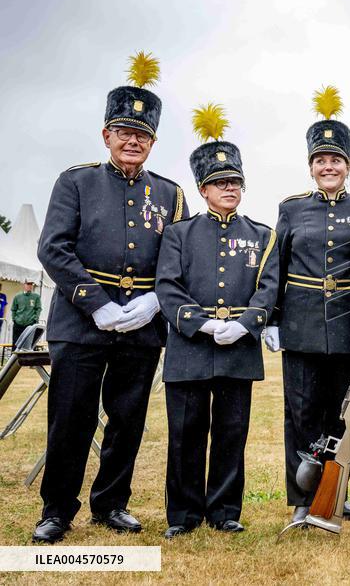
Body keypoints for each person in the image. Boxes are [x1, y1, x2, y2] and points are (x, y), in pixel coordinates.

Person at [34, 53, 188, 544]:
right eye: (123, 131)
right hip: (81, 322)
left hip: (142, 324)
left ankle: (111, 504)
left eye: (142, 134)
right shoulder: (75, 181)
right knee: (71, 419)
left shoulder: (170, 193)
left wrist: (155, 302)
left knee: (127, 420)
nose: (133, 140)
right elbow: (52, 247)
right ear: (106, 135)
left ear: (153, 141)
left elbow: (178, 258)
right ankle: (57, 509)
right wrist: (95, 302)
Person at [155, 104, 278, 538]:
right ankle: (184, 515)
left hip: (238, 348)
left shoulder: (263, 235)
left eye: (235, 182)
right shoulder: (178, 233)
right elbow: (167, 287)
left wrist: (245, 324)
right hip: (190, 346)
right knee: (186, 433)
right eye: (219, 183)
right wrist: (202, 324)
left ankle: (225, 510)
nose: (229, 188)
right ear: (203, 190)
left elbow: (268, 288)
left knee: (231, 433)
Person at [264, 86, 350, 525]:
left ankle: (336, 493)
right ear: (311, 167)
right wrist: (270, 318)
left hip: (349, 326)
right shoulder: (291, 210)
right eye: (321, 161)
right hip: (303, 325)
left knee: (340, 417)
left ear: (347, 166)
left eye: (336, 160)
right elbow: (275, 265)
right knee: (302, 414)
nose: (329, 167)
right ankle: (303, 498)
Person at [11, 280, 42, 347]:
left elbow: (38, 308)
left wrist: (35, 319)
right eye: (28, 284)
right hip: (18, 323)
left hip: (30, 324)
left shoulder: (36, 297)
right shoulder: (17, 296)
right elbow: (13, 309)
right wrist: (14, 319)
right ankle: (15, 357)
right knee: (15, 342)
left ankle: (28, 357)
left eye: (31, 284)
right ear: (24, 285)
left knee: (29, 343)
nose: (30, 286)